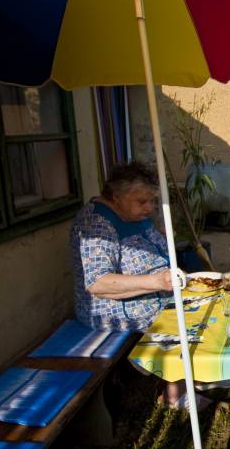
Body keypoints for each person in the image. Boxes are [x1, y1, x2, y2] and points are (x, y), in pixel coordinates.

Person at [70, 162, 208, 410]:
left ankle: (191, 372)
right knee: (180, 317)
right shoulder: (96, 224)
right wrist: (156, 281)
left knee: (207, 302)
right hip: (113, 310)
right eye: (142, 201)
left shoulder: (132, 212)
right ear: (115, 196)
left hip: (155, 292)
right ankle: (174, 390)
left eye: (152, 201)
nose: (149, 208)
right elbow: (97, 283)